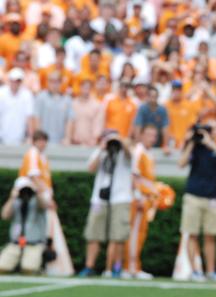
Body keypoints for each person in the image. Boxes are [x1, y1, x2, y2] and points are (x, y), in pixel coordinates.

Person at [178, 120, 216, 282]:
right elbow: (181, 163)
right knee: (191, 234)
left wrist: (209, 142)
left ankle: (211, 271)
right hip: (193, 195)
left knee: (211, 235)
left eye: (213, 129)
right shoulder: (196, 147)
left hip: (212, 197)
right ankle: (195, 271)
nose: (210, 131)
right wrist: (191, 142)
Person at [79, 132, 133, 278]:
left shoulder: (124, 153)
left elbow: (131, 157)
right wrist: (102, 148)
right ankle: (89, 266)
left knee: (118, 236)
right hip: (100, 198)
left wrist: (122, 143)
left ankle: (116, 267)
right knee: (94, 234)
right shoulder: (101, 151)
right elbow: (90, 168)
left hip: (120, 197)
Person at [124, 125, 159, 280]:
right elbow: (133, 176)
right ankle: (130, 267)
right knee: (135, 233)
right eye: (149, 135)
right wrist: (138, 195)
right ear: (142, 135)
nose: (152, 138)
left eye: (154, 135)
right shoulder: (138, 152)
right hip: (139, 199)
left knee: (141, 233)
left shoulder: (148, 153)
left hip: (146, 198)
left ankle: (135, 265)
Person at [0, 177, 49, 274]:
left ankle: (39, 268)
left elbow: (44, 206)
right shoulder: (15, 202)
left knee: (28, 269)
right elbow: (5, 215)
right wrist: (12, 198)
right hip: (15, 243)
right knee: (1, 267)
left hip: (33, 244)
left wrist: (37, 192)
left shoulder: (36, 201)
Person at [33, 71, 72, 144]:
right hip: (44, 142)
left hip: (61, 142)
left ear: (61, 83)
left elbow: (69, 120)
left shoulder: (67, 99)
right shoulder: (41, 97)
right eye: (52, 81)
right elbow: (37, 119)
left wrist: (67, 138)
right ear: (48, 82)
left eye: (57, 82)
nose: (54, 84)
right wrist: (39, 138)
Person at [0, 68, 35, 145]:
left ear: (21, 82)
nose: (15, 83)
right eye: (13, 80)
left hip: (20, 137)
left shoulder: (27, 95)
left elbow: (29, 117)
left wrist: (31, 137)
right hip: (2, 136)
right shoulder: (1, 93)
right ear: (9, 80)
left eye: (18, 81)